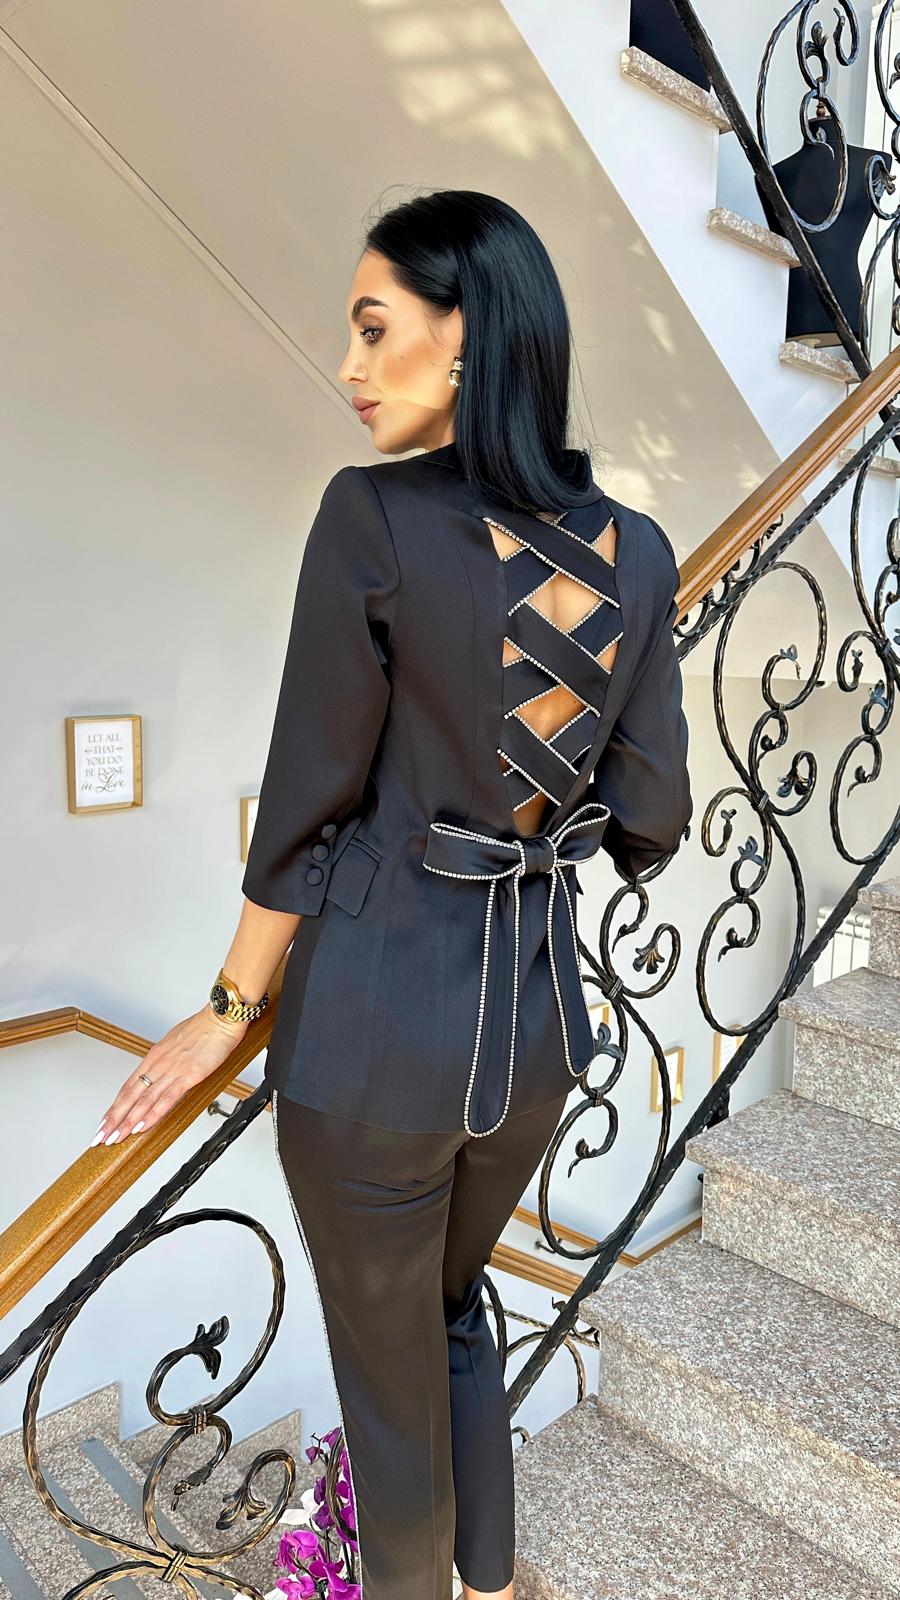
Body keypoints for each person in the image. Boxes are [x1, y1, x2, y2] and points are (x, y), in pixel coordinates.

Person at [91, 190, 692, 1600]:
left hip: (372, 1043)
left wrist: (229, 1005)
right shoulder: (642, 550)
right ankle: (488, 1583)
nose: (349, 366)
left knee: (386, 1388)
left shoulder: (373, 518)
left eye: (374, 329)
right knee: (453, 1309)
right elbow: (651, 818)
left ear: (468, 336)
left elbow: (306, 797)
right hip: (532, 1036)